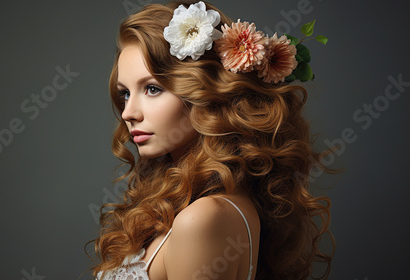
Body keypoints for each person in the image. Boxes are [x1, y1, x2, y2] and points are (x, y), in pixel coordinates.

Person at [86, 1, 337, 279]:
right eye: (125, 93)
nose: (128, 113)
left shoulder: (204, 218)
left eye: (153, 89)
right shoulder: (201, 204)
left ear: (205, 92)